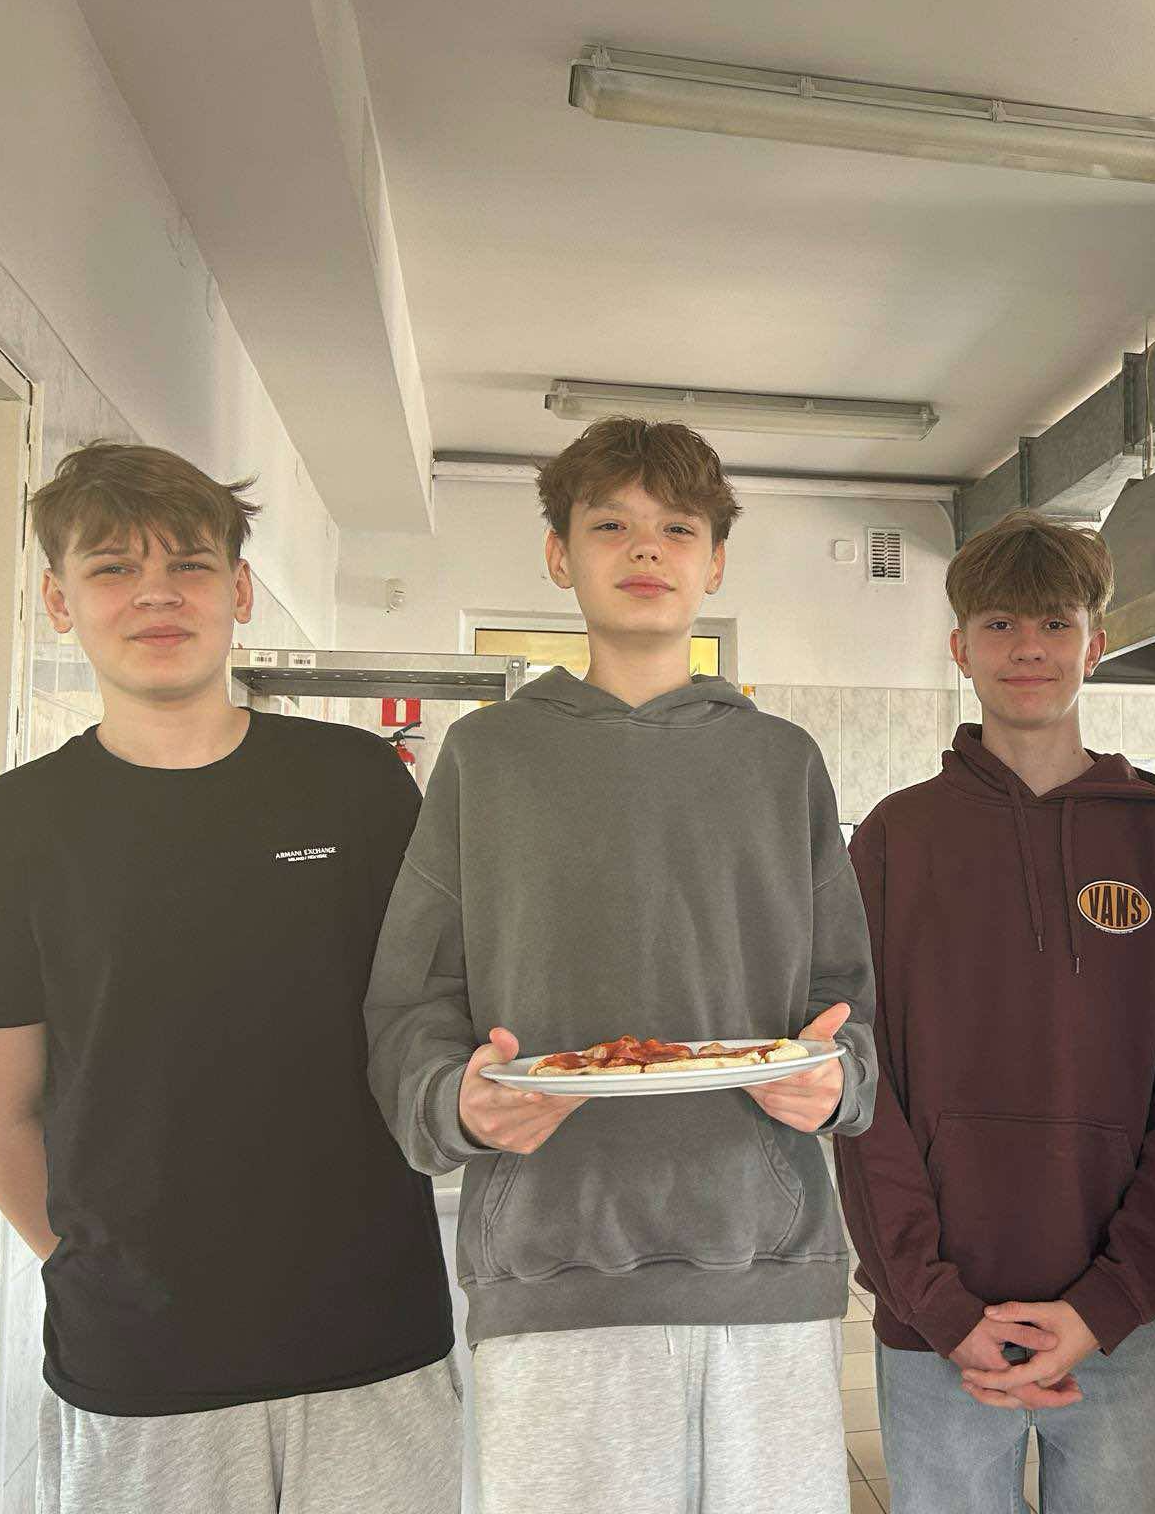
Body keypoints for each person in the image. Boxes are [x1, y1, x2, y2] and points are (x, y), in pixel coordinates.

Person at [0, 443, 458, 1513]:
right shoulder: (7, 832)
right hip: (144, 1363)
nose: (156, 593)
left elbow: (428, 1010)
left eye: (190, 564)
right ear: (58, 601)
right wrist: (101, 1266)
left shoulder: (354, 784)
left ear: (239, 591)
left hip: (373, 1330)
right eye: (113, 566)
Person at [364, 415, 877, 1514]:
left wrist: (840, 1081)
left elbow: (849, 1005)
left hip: (760, 1261)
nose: (646, 548)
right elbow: (413, 1002)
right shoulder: (487, 758)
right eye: (610, 525)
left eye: (677, 528)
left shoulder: (781, 761)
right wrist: (453, 1100)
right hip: (551, 1263)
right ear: (559, 556)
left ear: (714, 562)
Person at [835, 510, 1155, 1514]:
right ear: (959, 647)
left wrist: (1107, 1303)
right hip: (938, 1326)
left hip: (1119, 1322)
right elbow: (863, 1094)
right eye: (1001, 624)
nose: (1028, 649)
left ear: (1094, 646)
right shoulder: (892, 841)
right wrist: (937, 1304)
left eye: (1055, 624)